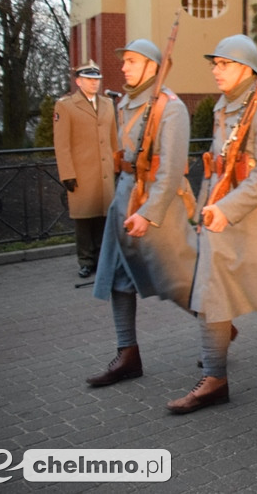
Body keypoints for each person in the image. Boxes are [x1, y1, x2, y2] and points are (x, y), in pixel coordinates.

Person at [168, 35, 257, 414]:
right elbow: (219, 165)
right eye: (215, 64)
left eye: (222, 64)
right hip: (223, 220)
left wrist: (228, 208)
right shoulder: (227, 105)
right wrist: (206, 210)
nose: (215, 70)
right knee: (211, 295)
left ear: (246, 68)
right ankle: (215, 378)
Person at [87, 39, 196, 387]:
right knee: (118, 279)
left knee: (178, 281)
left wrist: (149, 213)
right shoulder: (126, 104)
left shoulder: (171, 107)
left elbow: (172, 169)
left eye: (131, 61)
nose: (124, 67)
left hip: (156, 204)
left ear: (152, 65)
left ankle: (218, 330)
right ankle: (127, 354)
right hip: (125, 196)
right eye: (124, 61)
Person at [53, 61, 117, 278]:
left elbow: (113, 139)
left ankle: (102, 260)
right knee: (84, 220)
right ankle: (86, 261)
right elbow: (62, 145)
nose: (94, 84)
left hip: (105, 172)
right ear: (79, 82)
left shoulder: (108, 104)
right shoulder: (66, 106)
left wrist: (116, 164)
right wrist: (67, 174)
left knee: (103, 217)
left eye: (96, 80)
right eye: (89, 80)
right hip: (82, 173)